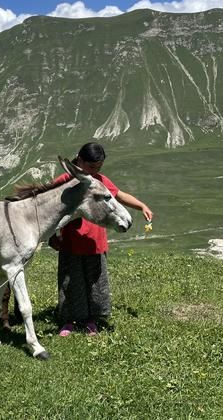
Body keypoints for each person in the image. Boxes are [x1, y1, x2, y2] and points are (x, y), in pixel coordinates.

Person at [49, 142, 153, 336]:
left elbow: (119, 196)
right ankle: (69, 321)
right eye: (91, 167)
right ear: (79, 159)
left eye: (98, 168)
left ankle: (92, 320)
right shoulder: (65, 180)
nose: (94, 171)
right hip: (70, 242)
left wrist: (141, 206)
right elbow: (50, 208)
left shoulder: (100, 181)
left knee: (95, 283)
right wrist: (52, 236)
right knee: (70, 282)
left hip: (95, 242)